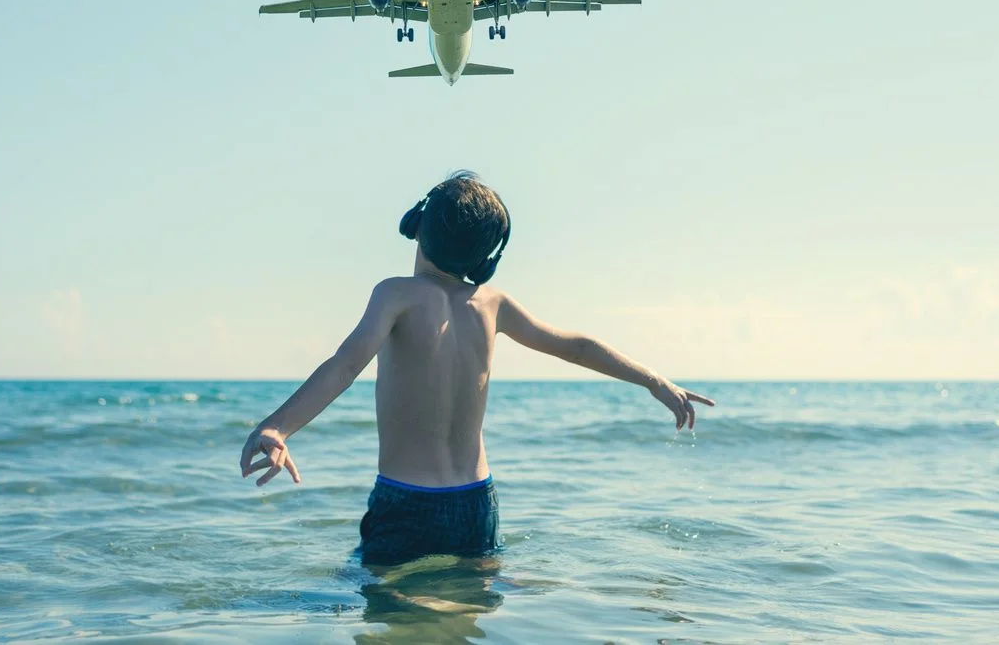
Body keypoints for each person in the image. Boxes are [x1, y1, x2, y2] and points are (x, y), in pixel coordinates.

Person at [239, 170, 714, 565]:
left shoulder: (395, 295)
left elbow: (344, 367)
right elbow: (576, 347)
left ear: (417, 224)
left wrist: (278, 427)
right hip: (476, 501)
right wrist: (652, 378)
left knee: (385, 611)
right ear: (486, 257)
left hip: (407, 500)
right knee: (466, 612)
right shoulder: (493, 303)